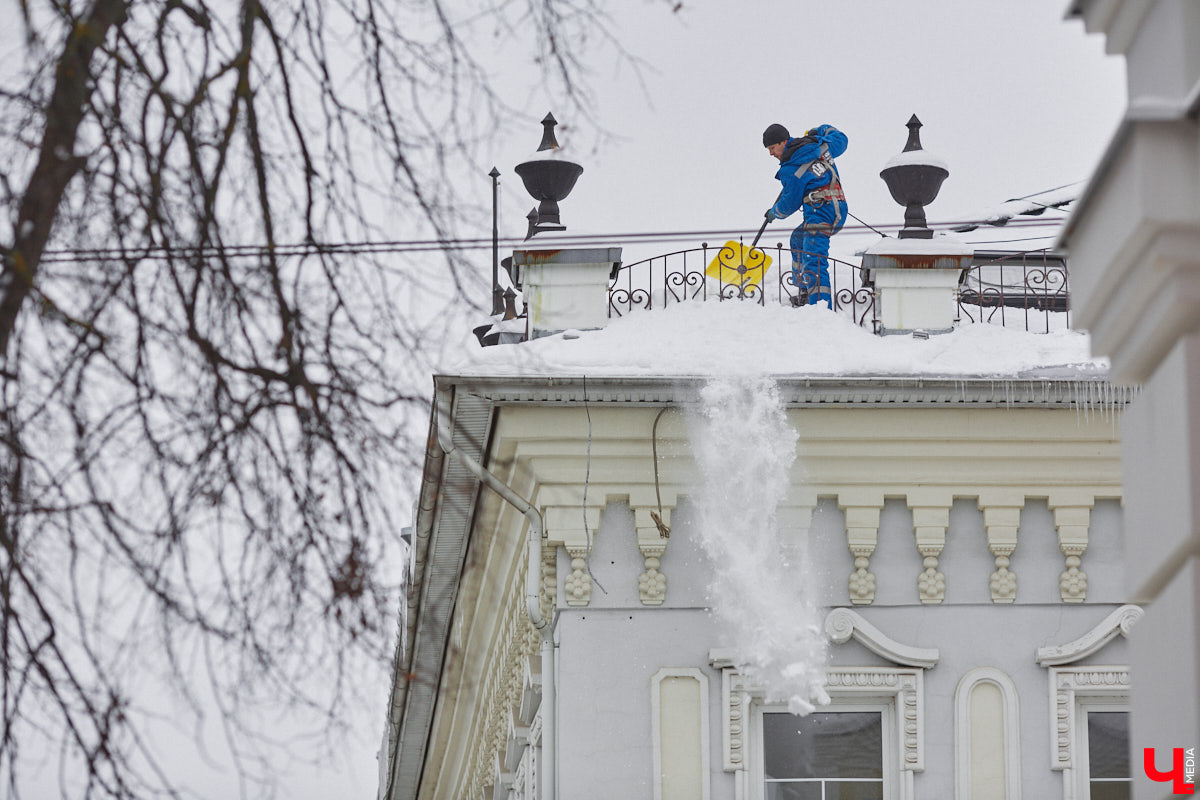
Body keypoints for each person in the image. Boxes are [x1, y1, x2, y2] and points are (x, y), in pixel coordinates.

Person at [763, 123, 848, 308]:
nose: (771, 153)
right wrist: (822, 130)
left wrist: (774, 213)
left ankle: (820, 309)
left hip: (821, 212)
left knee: (814, 259)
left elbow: (789, 203)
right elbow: (841, 139)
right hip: (837, 207)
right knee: (797, 239)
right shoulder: (819, 145)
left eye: (772, 147)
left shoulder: (790, 169)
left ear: (784, 142)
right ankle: (804, 291)